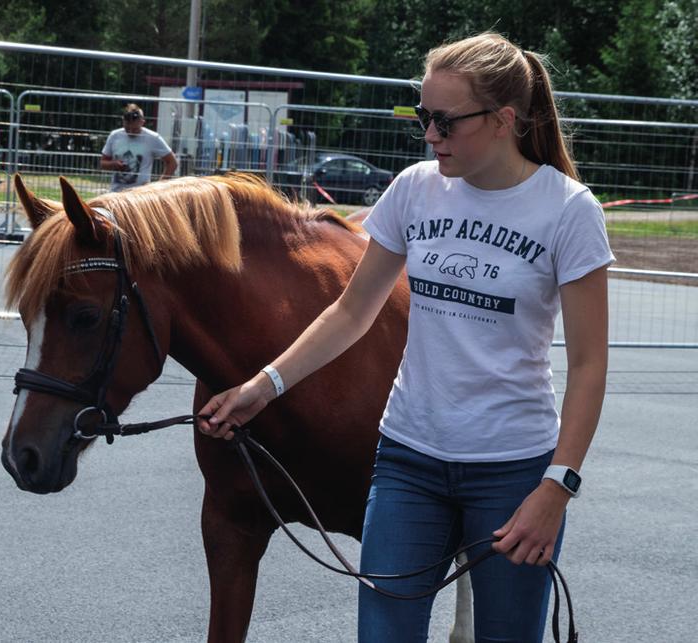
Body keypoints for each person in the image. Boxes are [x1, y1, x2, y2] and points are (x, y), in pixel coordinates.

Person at [198, 32, 613, 642]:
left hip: (512, 471)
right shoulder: (416, 188)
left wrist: (558, 487)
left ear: (503, 121)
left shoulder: (569, 211)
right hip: (408, 463)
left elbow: (589, 367)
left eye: (444, 122)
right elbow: (352, 310)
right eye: (423, 117)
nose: (429, 135)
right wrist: (264, 386)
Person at [99, 103, 177, 192]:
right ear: (123, 121)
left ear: (142, 122)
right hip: (116, 194)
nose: (131, 132)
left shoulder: (153, 138)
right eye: (127, 128)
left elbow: (172, 162)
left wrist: (159, 187)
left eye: (135, 129)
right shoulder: (115, 136)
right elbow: (102, 163)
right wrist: (114, 164)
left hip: (140, 196)